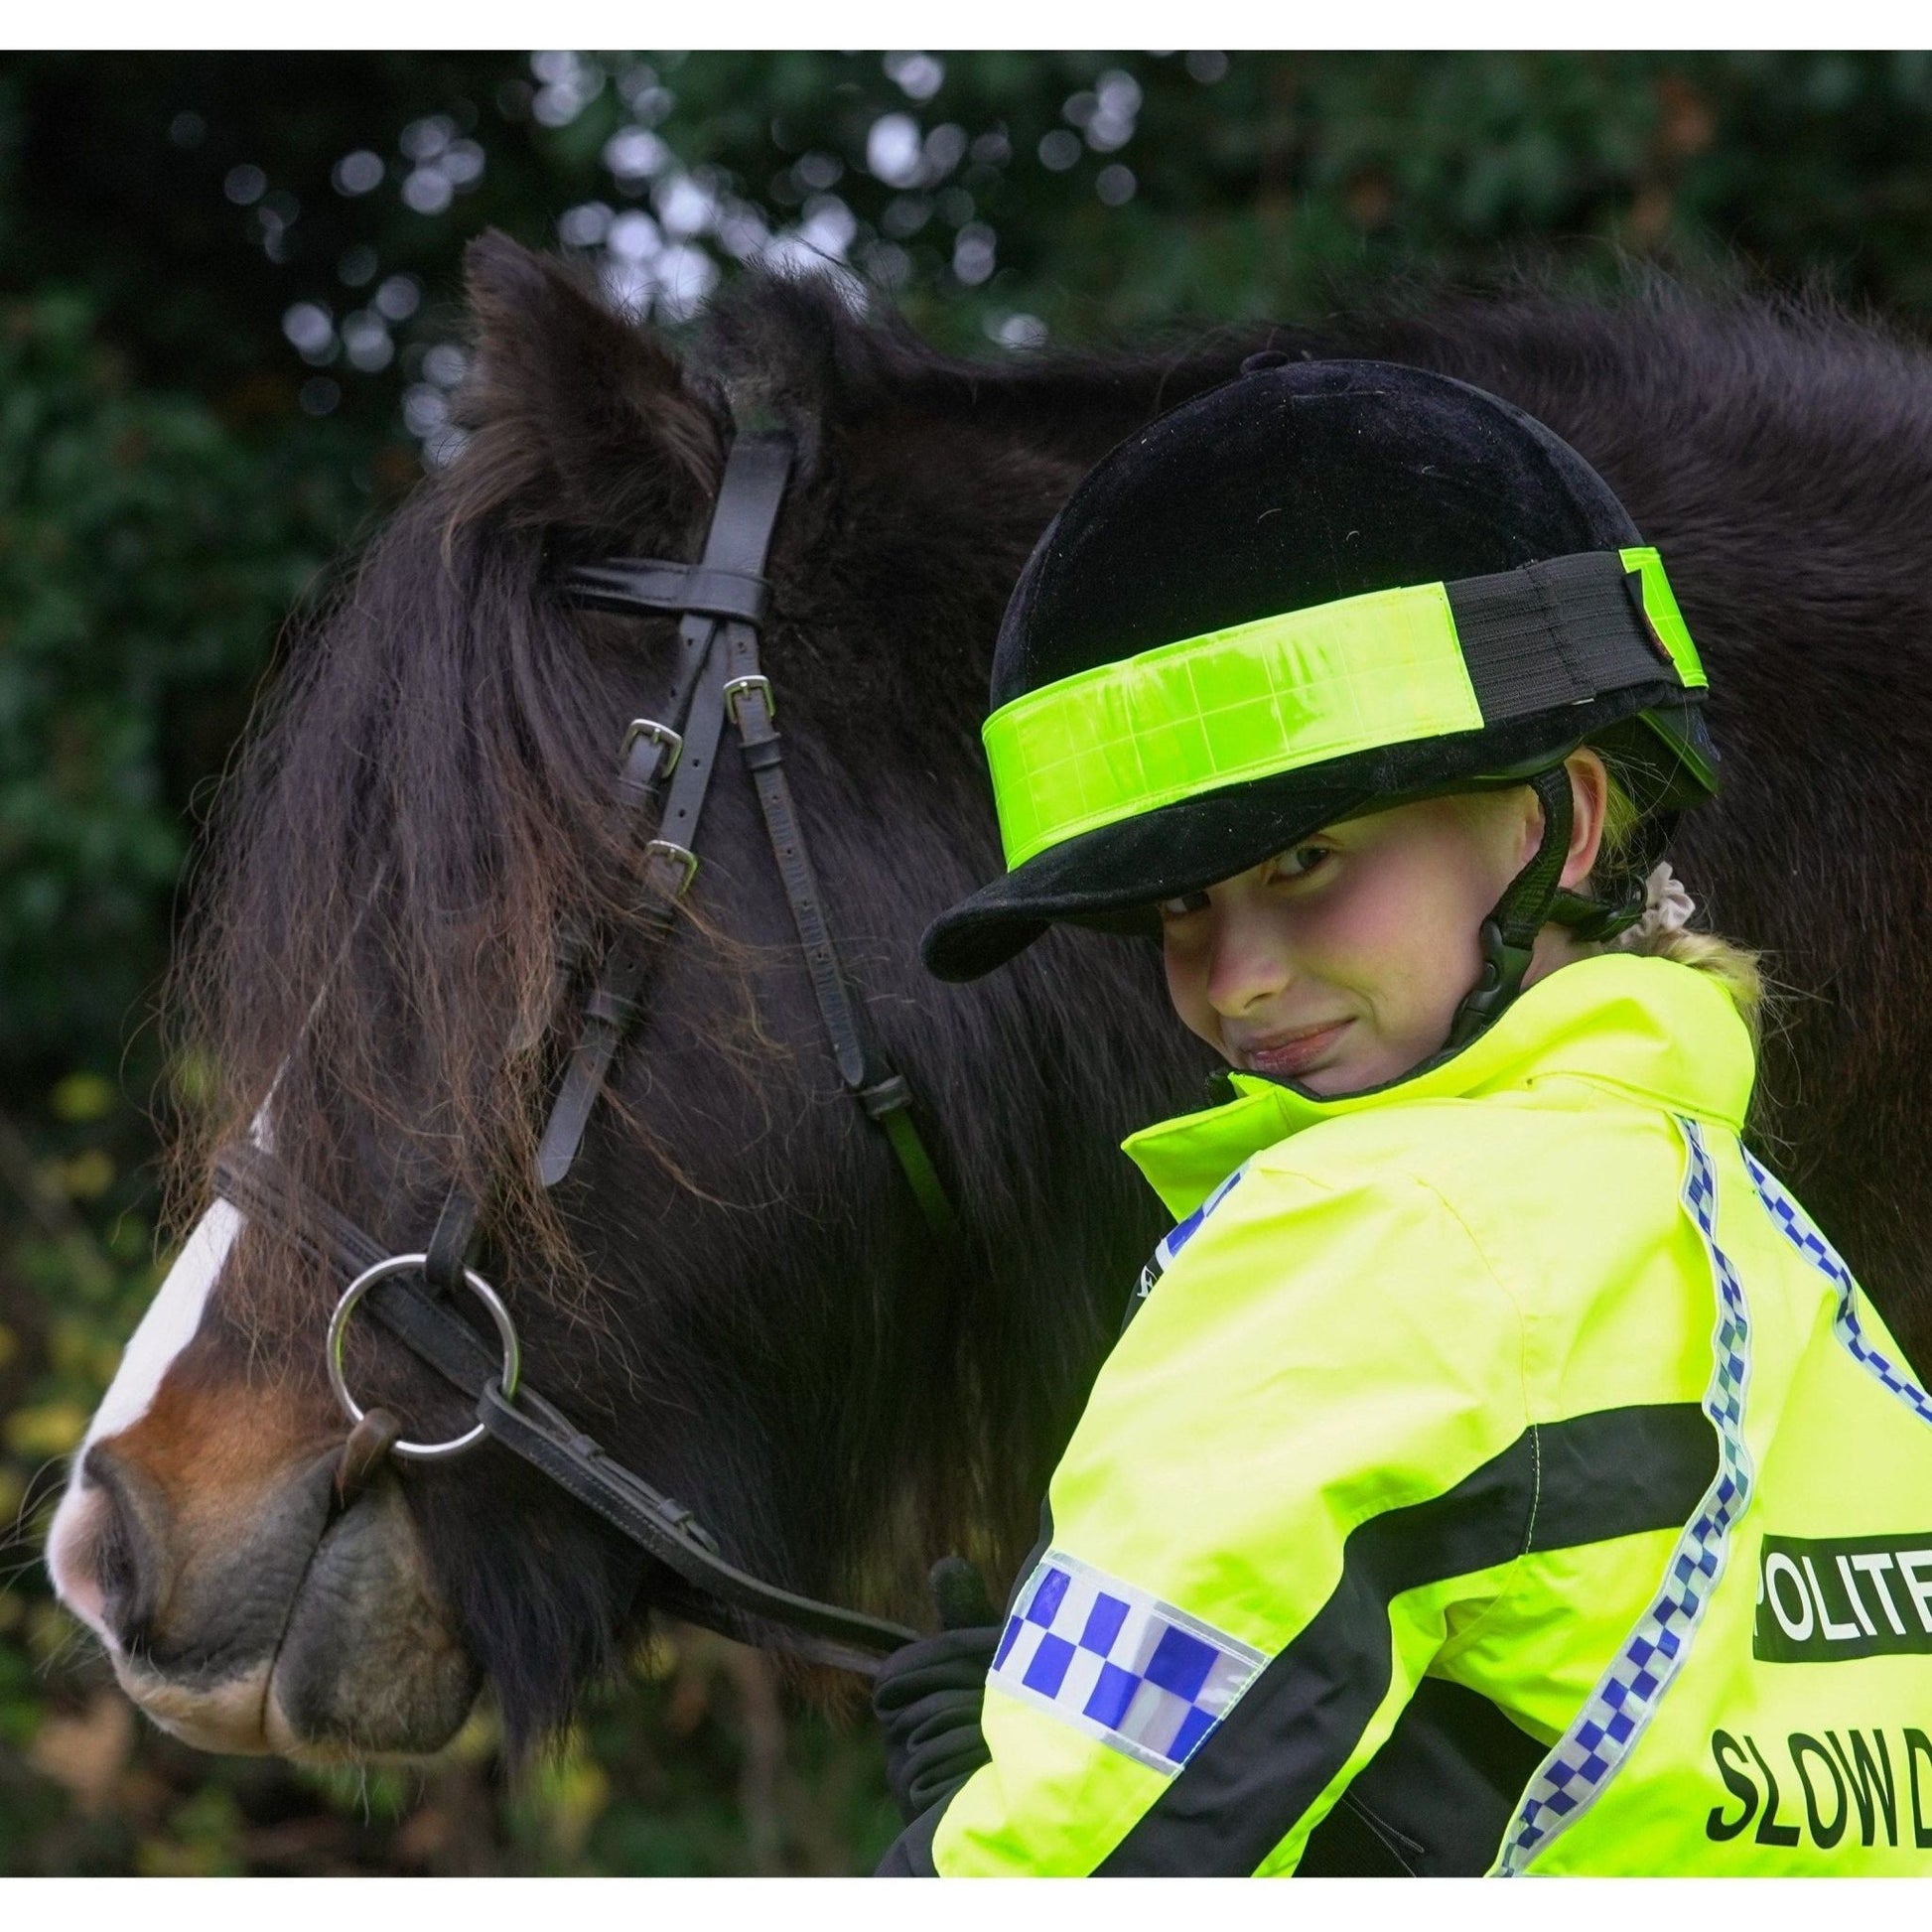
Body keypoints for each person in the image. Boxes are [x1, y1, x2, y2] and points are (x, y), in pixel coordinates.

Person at [874, 356, 1932, 1876]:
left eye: (1303, 858)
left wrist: (954, 1846)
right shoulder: (1787, 1288)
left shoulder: (1355, 1239)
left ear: (1556, 822)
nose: (1232, 983)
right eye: (1177, 902)